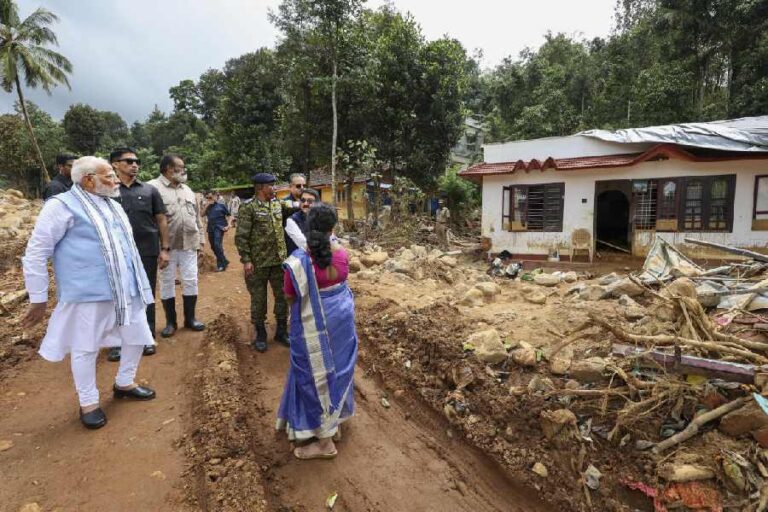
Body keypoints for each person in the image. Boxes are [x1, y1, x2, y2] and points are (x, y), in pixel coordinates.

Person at [22, 156, 156, 430]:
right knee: (85, 347)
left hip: (126, 288)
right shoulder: (60, 206)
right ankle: (89, 402)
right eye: (109, 176)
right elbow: (37, 251)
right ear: (88, 180)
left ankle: (125, 382)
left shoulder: (112, 205)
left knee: (136, 336)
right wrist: (38, 297)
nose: (116, 180)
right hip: (88, 292)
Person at [277, 202, 358, 459]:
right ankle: (334, 424)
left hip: (315, 323)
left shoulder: (299, 263)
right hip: (342, 319)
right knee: (339, 370)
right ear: (332, 227)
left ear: (308, 226)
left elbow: (290, 297)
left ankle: (324, 443)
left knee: (313, 374)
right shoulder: (343, 254)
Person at [108, 147, 170, 361]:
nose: (135, 165)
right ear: (115, 164)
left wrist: (165, 249)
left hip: (147, 251)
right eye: (129, 161)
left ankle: (147, 337)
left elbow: (161, 219)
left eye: (137, 161)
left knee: (146, 295)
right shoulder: (106, 191)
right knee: (118, 296)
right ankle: (117, 343)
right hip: (116, 253)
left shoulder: (149, 190)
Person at [147, 155, 205, 337]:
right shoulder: (152, 188)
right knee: (166, 282)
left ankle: (190, 319)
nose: (184, 170)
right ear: (168, 169)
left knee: (191, 280)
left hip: (189, 243)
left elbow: (196, 218)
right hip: (166, 247)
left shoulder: (187, 189)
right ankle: (171, 322)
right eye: (181, 167)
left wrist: (201, 240)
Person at [235, 173, 290, 352]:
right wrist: (246, 260)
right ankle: (260, 333)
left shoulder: (277, 204)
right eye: (271, 185)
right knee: (258, 299)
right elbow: (241, 236)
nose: (274, 188)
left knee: (282, 296)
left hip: (278, 261)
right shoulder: (248, 207)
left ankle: (281, 331)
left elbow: (295, 205)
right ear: (260, 187)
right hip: (258, 263)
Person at [202, 191, 231, 271]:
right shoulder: (207, 206)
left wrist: (228, 225)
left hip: (219, 227)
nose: (209, 199)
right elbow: (201, 214)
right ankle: (224, 260)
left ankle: (221, 265)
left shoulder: (221, 206)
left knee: (217, 244)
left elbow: (229, 215)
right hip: (210, 228)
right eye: (207, 198)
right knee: (213, 246)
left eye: (210, 197)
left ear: (215, 196)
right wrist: (207, 205)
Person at [284, 188, 319, 254]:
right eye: (303, 200)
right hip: (299, 261)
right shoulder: (291, 220)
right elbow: (304, 244)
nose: (305, 203)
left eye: (310, 201)